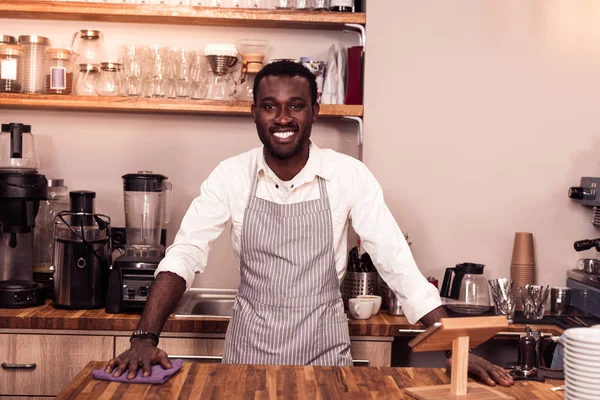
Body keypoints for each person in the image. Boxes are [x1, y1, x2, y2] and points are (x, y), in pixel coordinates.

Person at [105, 60, 514, 387]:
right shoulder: (229, 176)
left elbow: (395, 261)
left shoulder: (349, 176)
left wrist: (454, 347)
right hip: (248, 355)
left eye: (295, 105)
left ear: (315, 110)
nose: (282, 118)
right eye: (270, 106)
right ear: (254, 113)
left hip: (324, 356)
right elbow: (185, 254)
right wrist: (145, 337)